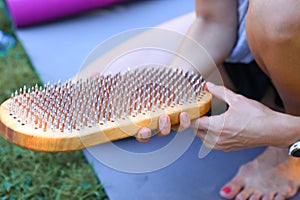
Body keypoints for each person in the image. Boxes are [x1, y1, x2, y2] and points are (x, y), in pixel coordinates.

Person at [135, 0, 300, 199]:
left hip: (280, 22)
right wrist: (173, 86)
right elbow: (212, 21)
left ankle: (289, 143)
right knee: (118, 77)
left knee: (279, 12)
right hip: (256, 37)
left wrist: (285, 134)